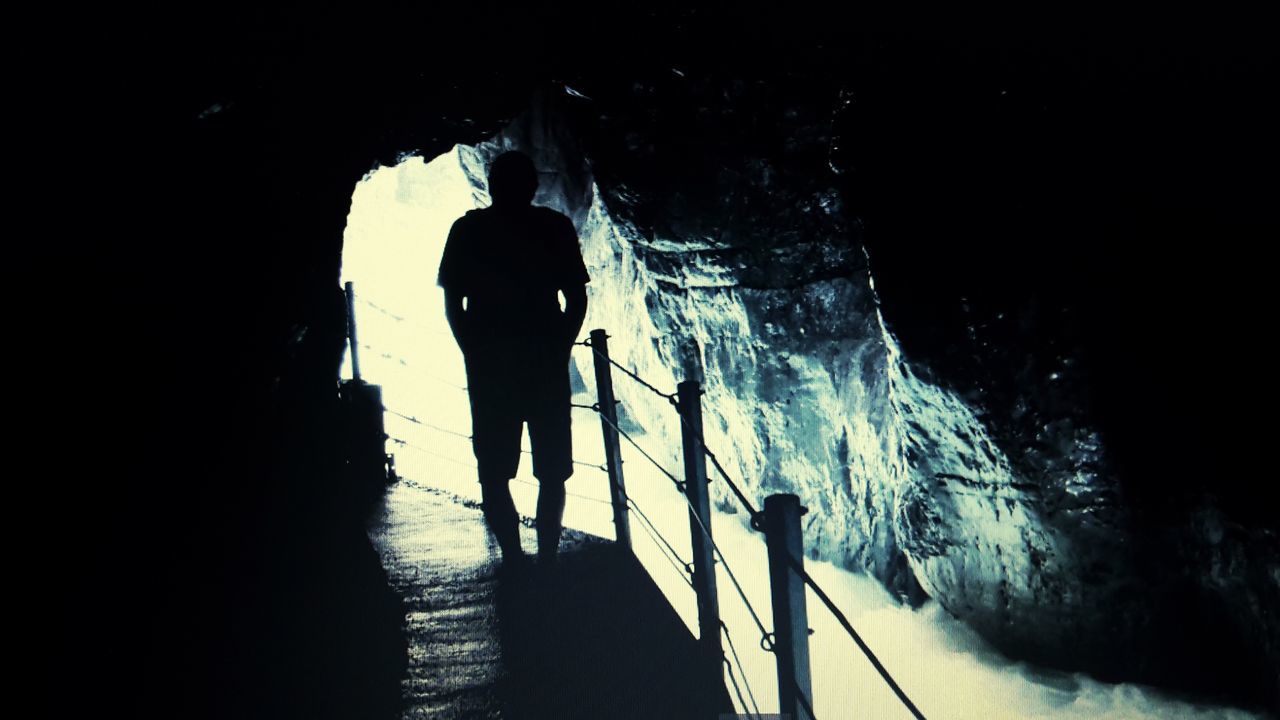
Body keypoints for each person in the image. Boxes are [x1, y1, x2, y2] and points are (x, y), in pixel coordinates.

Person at [436, 150, 590, 567]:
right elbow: (575, 299)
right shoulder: (554, 228)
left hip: (492, 370)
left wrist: (475, 352)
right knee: (553, 470)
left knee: (494, 469)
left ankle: (514, 560)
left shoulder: (469, 230)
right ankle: (547, 558)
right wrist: (559, 347)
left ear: (491, 185)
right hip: (544, 366)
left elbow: (454, 304)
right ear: (533, 186)